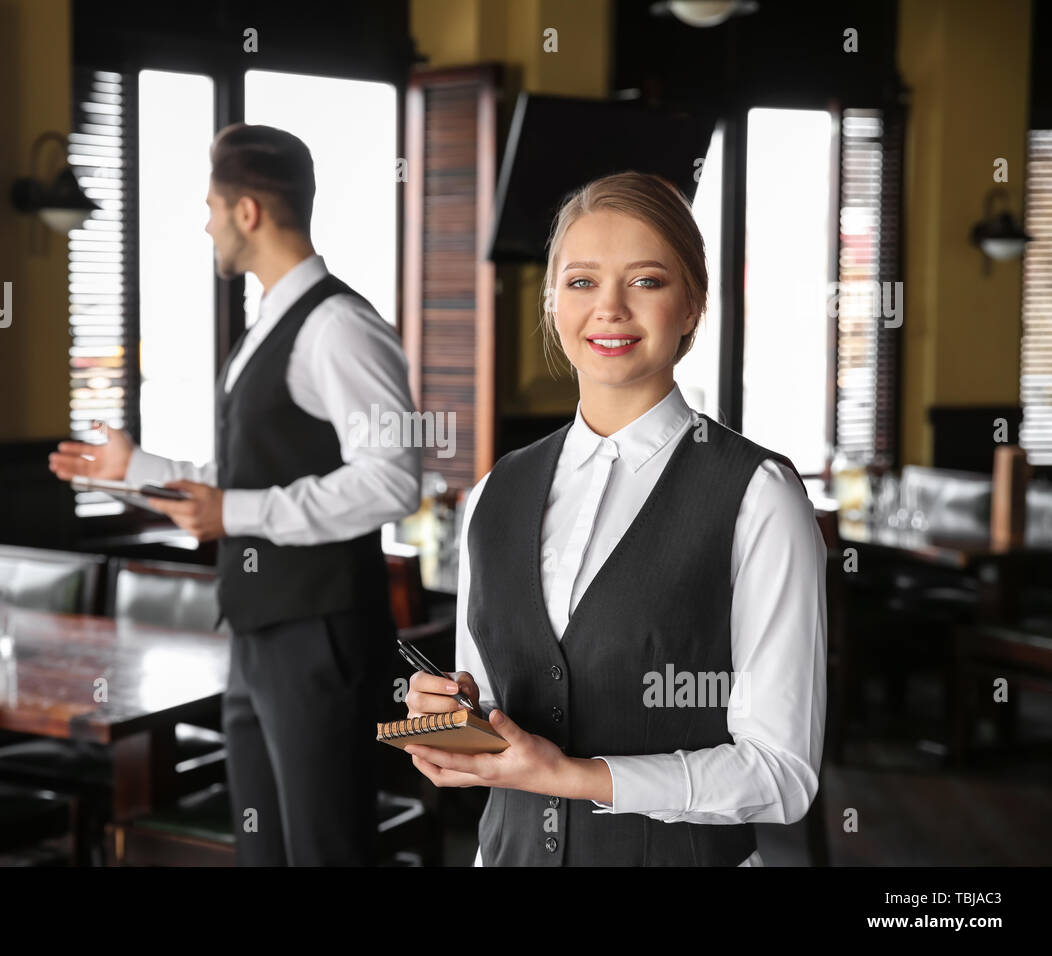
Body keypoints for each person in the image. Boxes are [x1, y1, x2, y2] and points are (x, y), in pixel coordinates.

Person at [404, 171, 827, 866]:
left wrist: (576, 779)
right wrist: (449, 718)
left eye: (647, 281)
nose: (610, 309)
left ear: (693, 305)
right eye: (581, 282)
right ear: (550, 301)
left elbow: (783, 774)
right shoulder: (492, 493)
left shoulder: (758, 495)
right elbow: (485, 707)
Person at [49, 123, 421, 865]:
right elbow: (249, 477)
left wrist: (238, 515)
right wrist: (134, 469)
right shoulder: (270, 325)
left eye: (212, 205)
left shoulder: (340, 327)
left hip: (319, 634)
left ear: (247, 211)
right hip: (257, 634)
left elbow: (393, 479)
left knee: (325, 853)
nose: (206, 221)